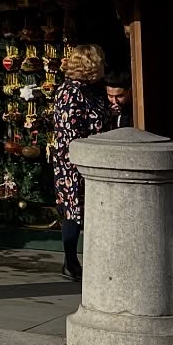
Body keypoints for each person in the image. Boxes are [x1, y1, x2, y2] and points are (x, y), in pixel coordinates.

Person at [52, 43, 108, 282]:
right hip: (74, 161)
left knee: (90, 210)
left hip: (92, 157)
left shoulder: (91, 90)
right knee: (74, 210)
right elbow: (70, 131)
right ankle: (70, 261)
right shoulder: (70, 92)